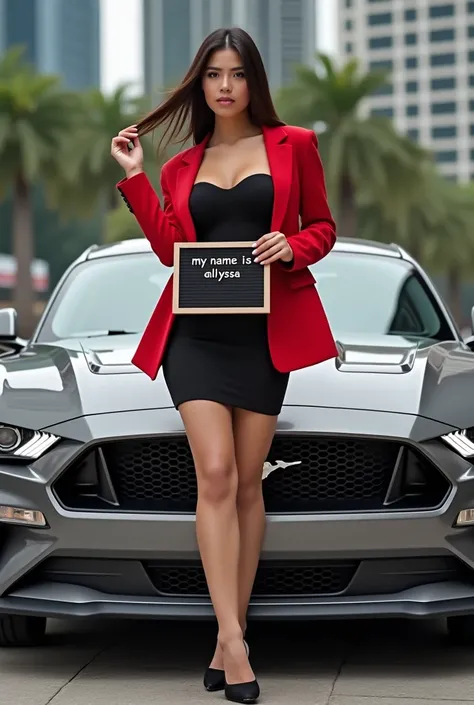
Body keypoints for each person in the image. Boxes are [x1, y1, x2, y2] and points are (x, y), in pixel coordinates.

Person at [111, 26, 337, 705]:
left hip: (265, 337)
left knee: (245, 484)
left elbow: (323, 227)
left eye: (237, 73)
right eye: (213, 74)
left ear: (253, 81)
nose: (225, 85)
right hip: (195, 338)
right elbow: (167, 250)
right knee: (213, 473)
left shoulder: (294, 144)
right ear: (200, 83)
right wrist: (135, 177)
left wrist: (291, 244)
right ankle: (235, 641)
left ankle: (222, 637)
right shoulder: (181, 165)